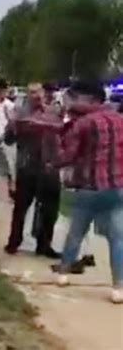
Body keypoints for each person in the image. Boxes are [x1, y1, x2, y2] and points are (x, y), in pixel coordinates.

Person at [37, 82, 123, 304]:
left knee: (76, 232)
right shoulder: (119, 120)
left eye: (77, 98)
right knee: (117, 238)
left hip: (89, 186)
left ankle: (64, 274)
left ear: (91, 100)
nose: (73, 102)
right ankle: (118, 287)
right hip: (116, 187)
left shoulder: (84, 123)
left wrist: (52, 162)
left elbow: (69, 155)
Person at [4, 83, 62, 258]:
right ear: (26, 95)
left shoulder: (54, 112)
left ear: (43, 93)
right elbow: (8, 140)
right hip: (27, 167)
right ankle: (14, 241)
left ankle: (44, 244)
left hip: (50, 167)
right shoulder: (20, 114)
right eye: (31, 92)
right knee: (21, 207)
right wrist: (14, 126)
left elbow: (63, 134)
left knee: (49, 209)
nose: (35, 95)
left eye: (38, 92)